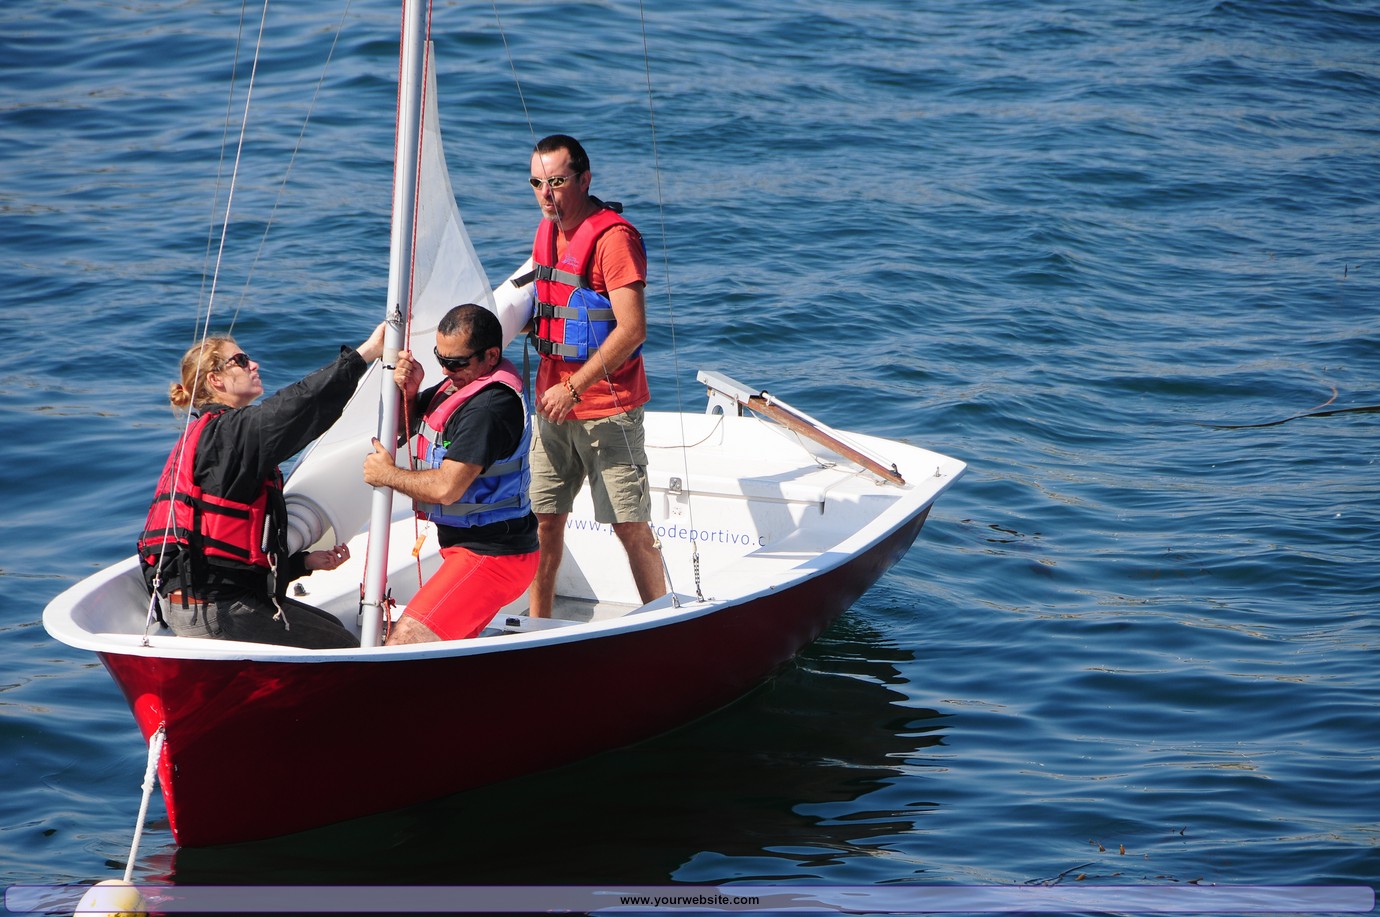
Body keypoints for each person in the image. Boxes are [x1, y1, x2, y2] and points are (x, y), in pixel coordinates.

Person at [137, 324, 387, 649]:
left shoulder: (209, 435)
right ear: (216, 380)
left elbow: (226, 560)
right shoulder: (233, 432)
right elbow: (301, 403)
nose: (254, 365)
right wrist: (367, 353)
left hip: (196, 604)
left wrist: (302, 563)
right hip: (216, 609)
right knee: (347, 648)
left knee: (332, 626)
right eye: (240, 360)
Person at [521, 133, 667, 617]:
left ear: (584, 180)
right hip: (551, 406)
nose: (547, 193)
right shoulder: (547, 232)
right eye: (538, 183)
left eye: (557, 182)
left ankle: (662, 619)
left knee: (630, 527)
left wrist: (573, 387)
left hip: (608, 409)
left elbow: (632, 329)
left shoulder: (614, 240)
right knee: (543, 523)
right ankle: (535, 630)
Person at [362, 303, 539, 644]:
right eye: (440, 358)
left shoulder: (489, 408)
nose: (445, 370)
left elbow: (447, 488)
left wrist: (387, 475)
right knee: (446, 649)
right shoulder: (457, 386)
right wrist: (411, 393)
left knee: (403, 643)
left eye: (456, 362)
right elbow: (406, 427)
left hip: (493, 556)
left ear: (491, 355)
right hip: (469, 548)